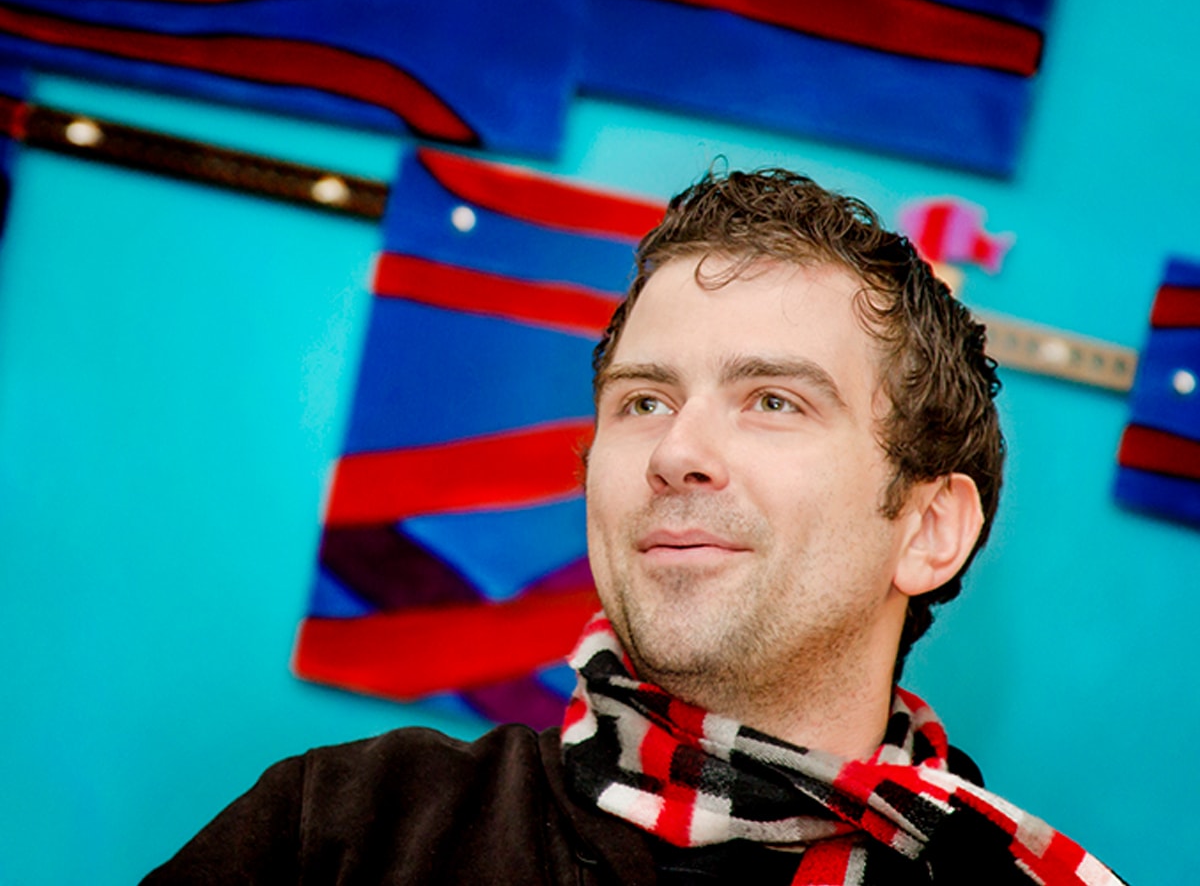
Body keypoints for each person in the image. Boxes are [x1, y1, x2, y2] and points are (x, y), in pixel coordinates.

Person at [144, 168, 1122, 884]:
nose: (674, 451)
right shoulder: (356, 831)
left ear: (928, 528)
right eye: (644, 401)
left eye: (774, 401)